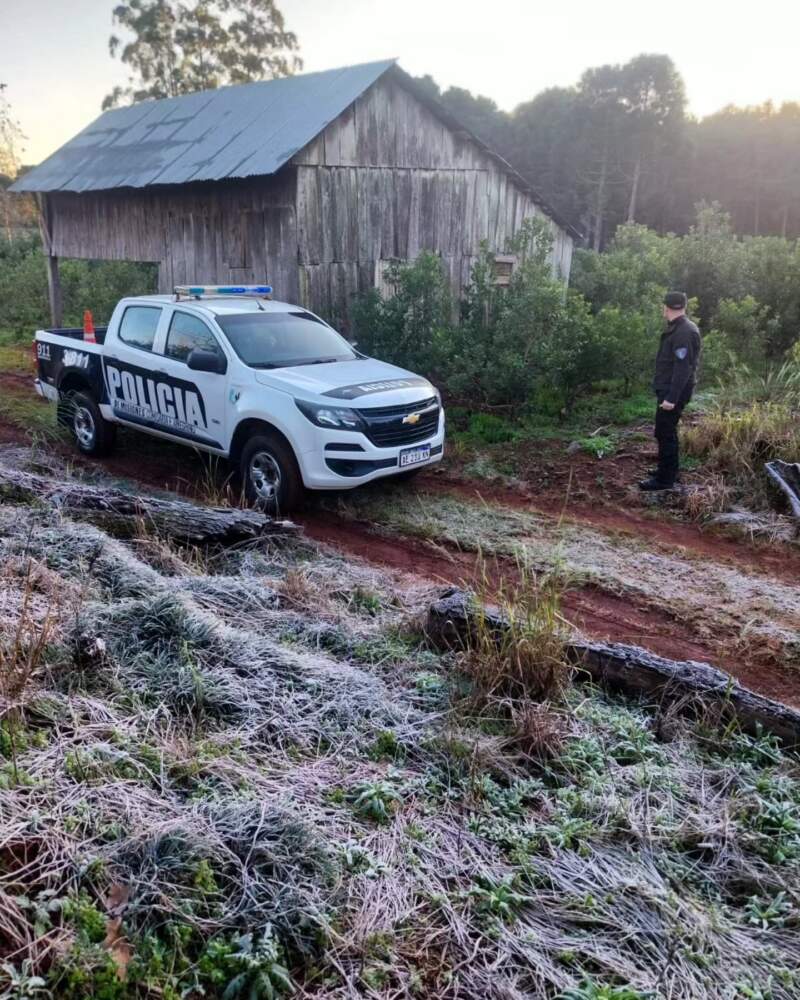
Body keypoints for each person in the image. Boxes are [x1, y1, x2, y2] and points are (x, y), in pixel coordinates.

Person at [639, 291, 701, 492]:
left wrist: (672, 398)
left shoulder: (684, 332)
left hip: (673, 392)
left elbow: (683, 368)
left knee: (666, 432)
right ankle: (666, 471)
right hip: (668, 390)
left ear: (666, 307)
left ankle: (665, 480)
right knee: (663, 431)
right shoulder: (679, 328)